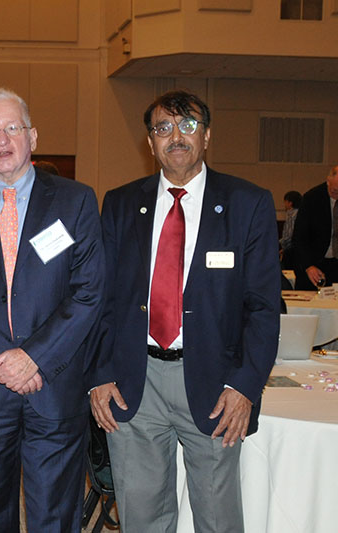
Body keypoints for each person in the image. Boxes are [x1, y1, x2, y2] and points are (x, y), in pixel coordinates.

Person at [90, 89, 279, 532]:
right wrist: (98, 374)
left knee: (217, 518)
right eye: (163, 128)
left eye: (188, 125)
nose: (176, 136)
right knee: (143, 516)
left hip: (216, 384)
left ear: (207, 136)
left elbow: (265, 307)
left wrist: (245, 385)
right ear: (150, 142)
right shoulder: (120, 204)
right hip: (134, 381)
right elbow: (99, 299)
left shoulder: (247, 204)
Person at [0, 88, 105, 532]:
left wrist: (33, 358)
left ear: (32, 136)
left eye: (12, 128)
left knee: (55, 513)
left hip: (53, 381)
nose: (2, 139)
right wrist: (3, 362)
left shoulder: (76, 200)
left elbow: (88, 291)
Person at [291, 166, 338, 290]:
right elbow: (298, 238)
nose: (337, 195)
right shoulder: (311, 198)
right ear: (327, 181)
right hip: (313, 264)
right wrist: (308, 265)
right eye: (334, 191)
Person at [279, 190, 301, 269]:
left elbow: (290, 234)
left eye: (285, 202)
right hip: (296, 248)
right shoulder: (301, 213)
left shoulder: (291, 215)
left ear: (290, 203)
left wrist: (279, 243)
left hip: (291, 250)